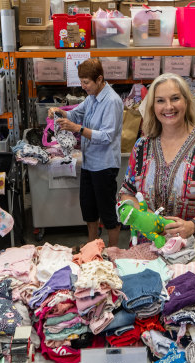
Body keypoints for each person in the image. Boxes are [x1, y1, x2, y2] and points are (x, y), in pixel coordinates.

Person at [119, 73, 195, 240]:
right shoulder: (142, 147)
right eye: (160, 100)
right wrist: (149, 219)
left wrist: (192, 225)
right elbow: (127, 192)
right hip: (148, 244)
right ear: (152, 106)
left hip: (194, 249)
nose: (168, 107)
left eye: (175, 98)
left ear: (186, 101)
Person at [49, 58, 123, 247]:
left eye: (86, 82)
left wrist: (77, 128)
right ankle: (92, 248)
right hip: (90, 163)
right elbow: (75, 113)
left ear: (99, 79)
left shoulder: (112, 101)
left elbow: (107, 136)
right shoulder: (91, 98)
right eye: (81, 81)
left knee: (107, 212)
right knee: (89, 209)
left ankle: (113, 251)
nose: (83, 86)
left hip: (104, 165)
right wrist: (59, 112)